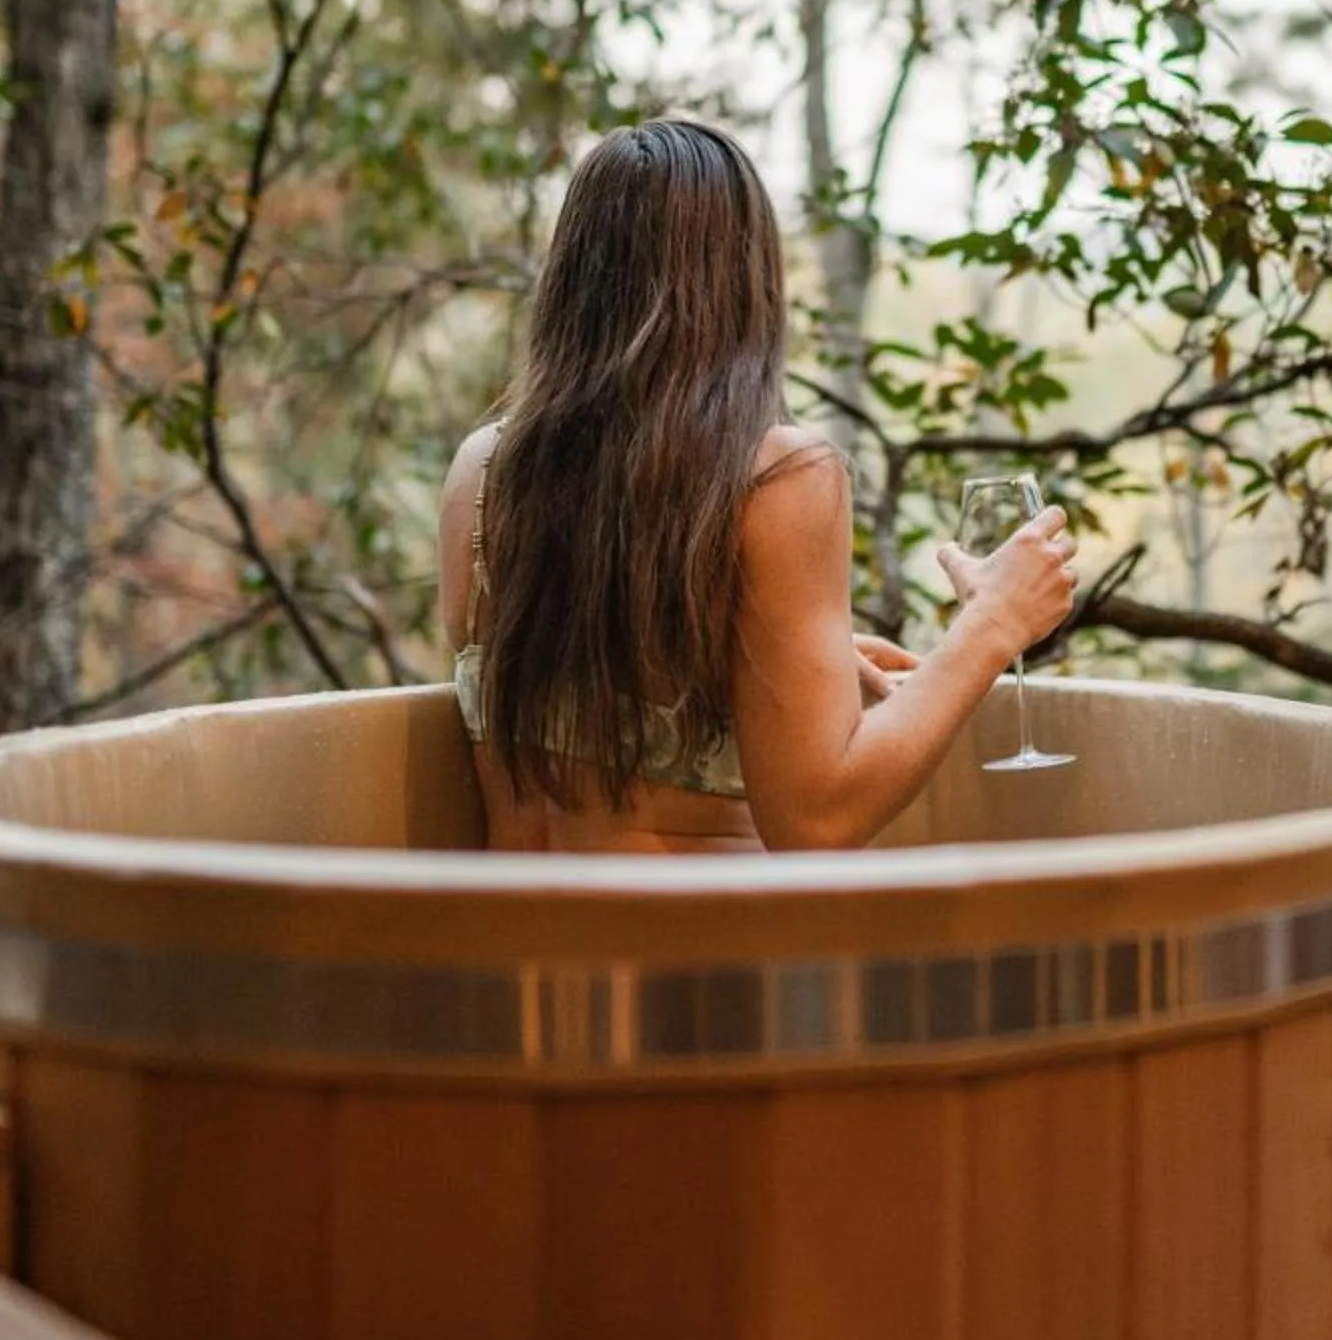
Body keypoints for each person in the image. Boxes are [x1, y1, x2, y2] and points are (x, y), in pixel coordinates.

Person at [439, 117, 1078, 852]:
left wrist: (770, 657)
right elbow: (817, 819)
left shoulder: (482, 473)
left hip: (514, 951)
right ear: (746, 277)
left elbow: (579, 689)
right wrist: (993, 622)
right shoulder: (780, 477)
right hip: (701, 958)